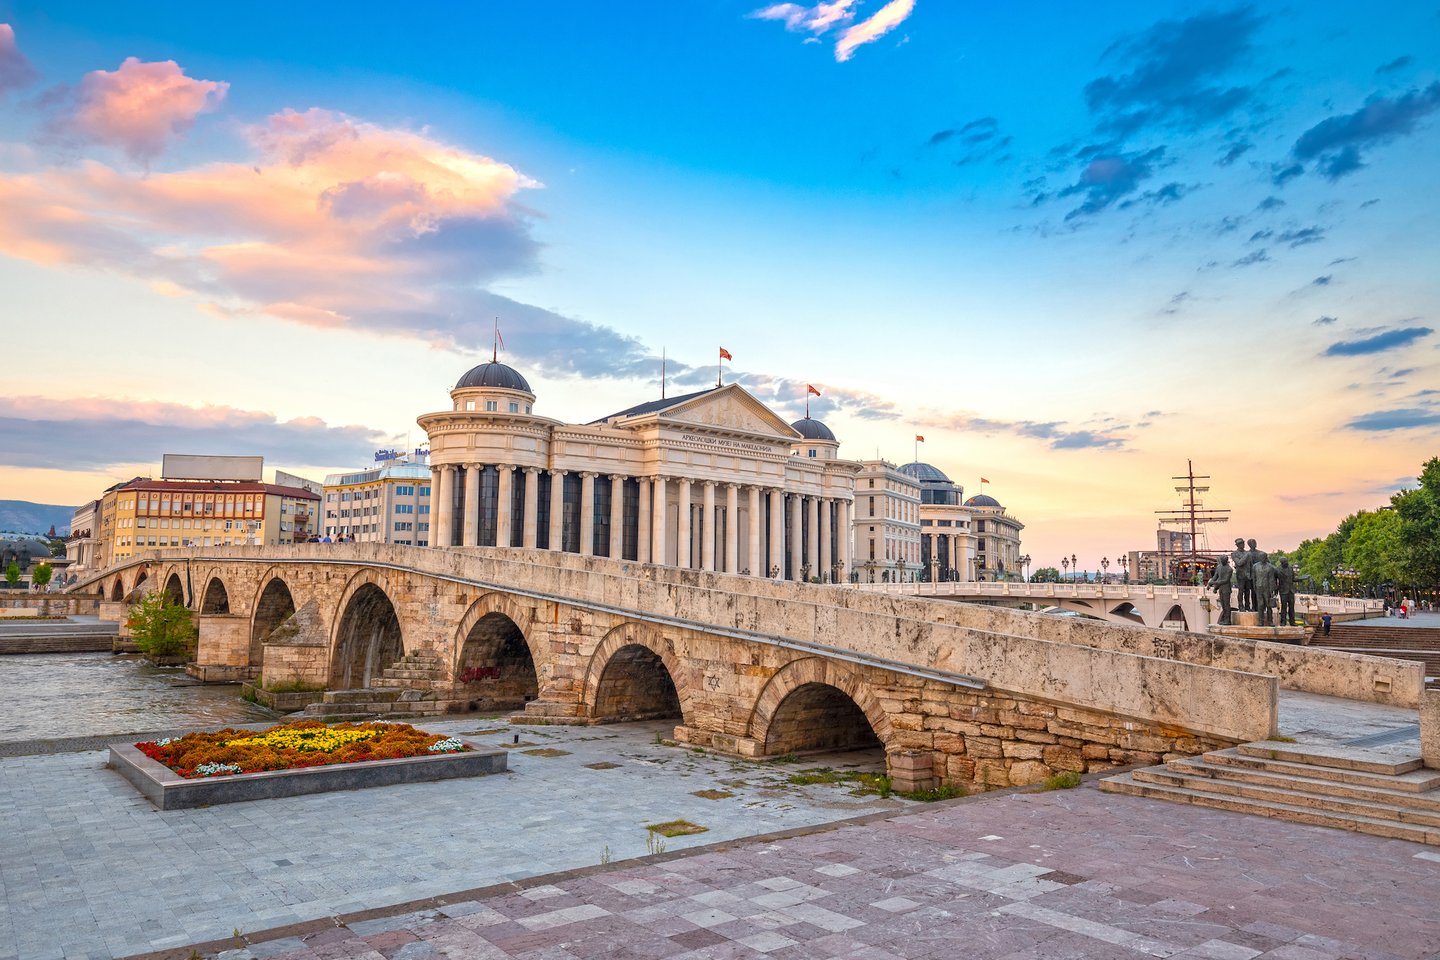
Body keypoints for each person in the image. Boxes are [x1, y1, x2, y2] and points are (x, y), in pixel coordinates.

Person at [1207, 556, 1234, 625]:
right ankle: (1225, 619)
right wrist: (1210, 583)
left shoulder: (1229, 569)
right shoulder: (1219, 567)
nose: (1222, 562)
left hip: (1226, 589)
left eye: (1223, 561)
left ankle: (1228, 620)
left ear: (1226, 561)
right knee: (1223, 604)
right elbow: (1215, 576)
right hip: (1221, 588)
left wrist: (1214, 583)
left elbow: (1225, 580)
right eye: (1221, 560)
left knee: (1226, 604)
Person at [1231, 538, 1253, 611]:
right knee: (1241, 591)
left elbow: (1251, 565)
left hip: (1248, 575)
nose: (1242, 545)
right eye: (1240, 543)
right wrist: (1246, 555)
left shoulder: (1247, 553)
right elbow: (1239, 563)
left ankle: (1247, 606)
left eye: (1243, 543)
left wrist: (1251, 574)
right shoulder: (1234, 554)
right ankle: (1240, 606)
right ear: (1237, 545)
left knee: (1247, 591)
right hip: (1240, 575)